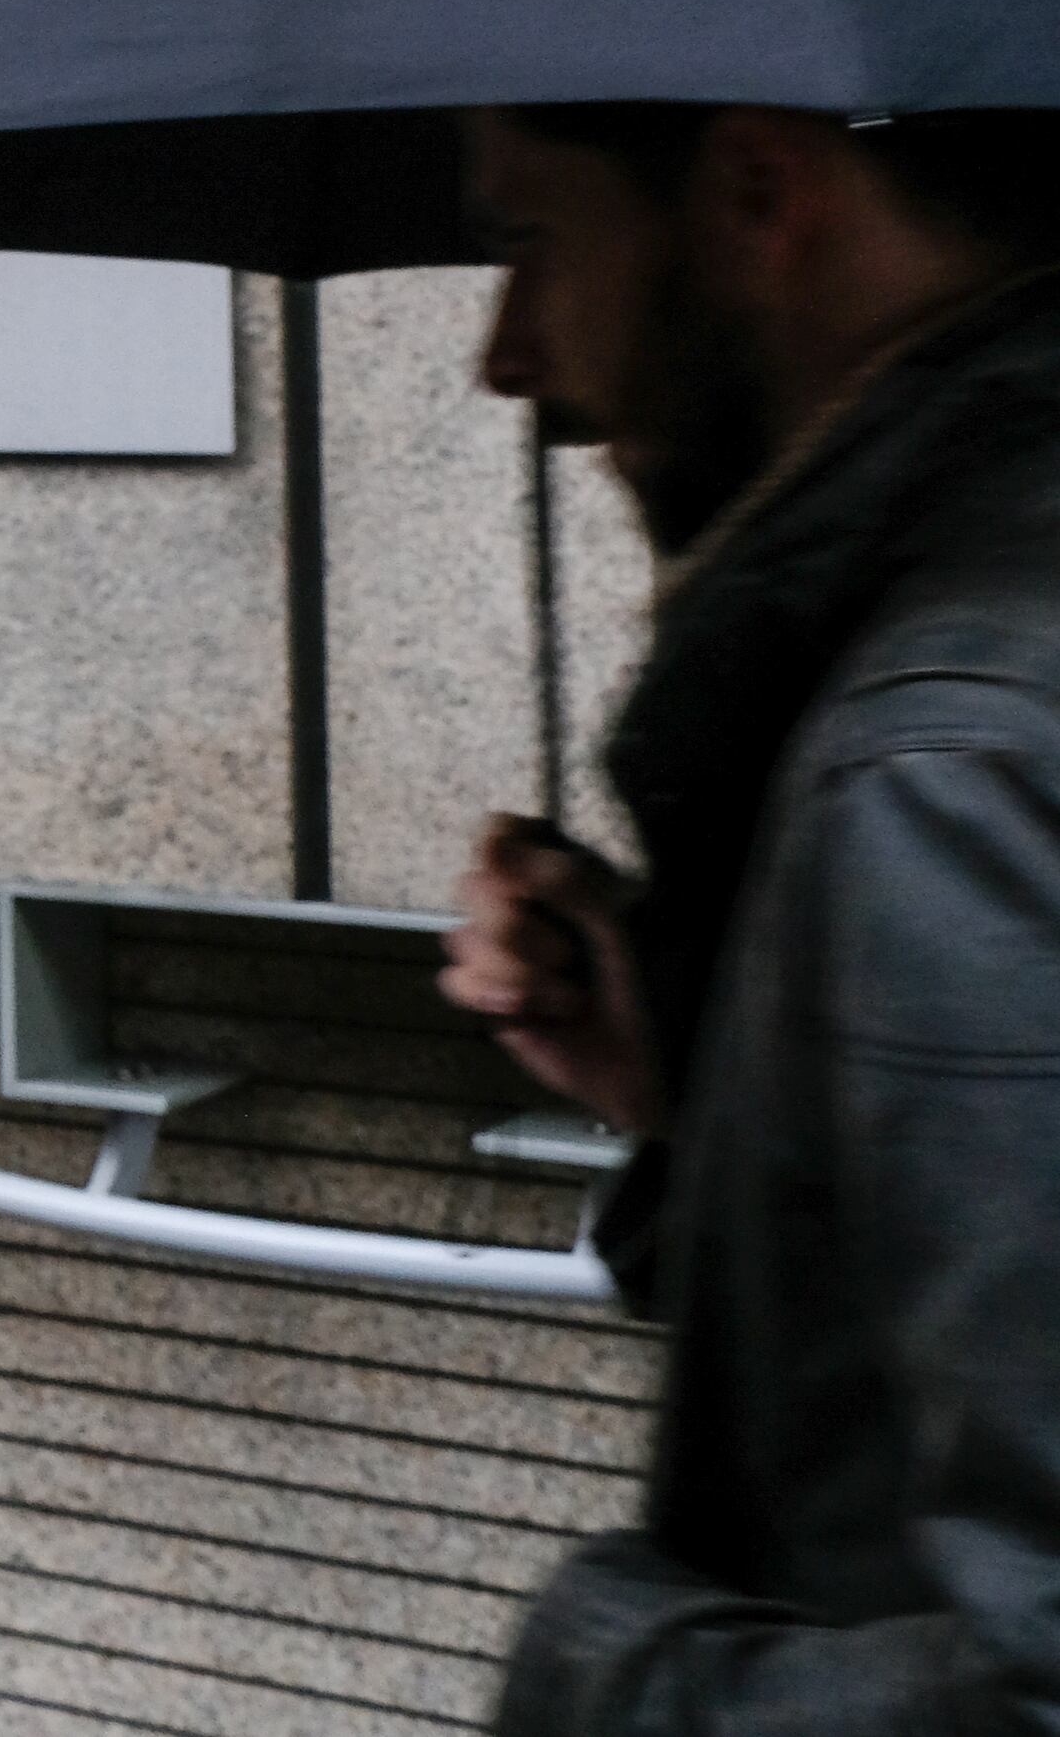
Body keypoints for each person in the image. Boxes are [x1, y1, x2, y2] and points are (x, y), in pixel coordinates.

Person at [443, 101, 1060, 1730]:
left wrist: (595, 1667)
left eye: (531, 237)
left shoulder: (951, 766)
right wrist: (706, 1091)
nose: (504, 356)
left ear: (760, 188)